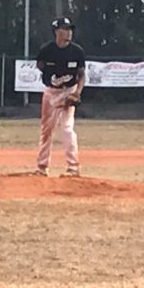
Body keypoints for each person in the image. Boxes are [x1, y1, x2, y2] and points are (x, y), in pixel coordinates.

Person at [34, 16, 85, 177]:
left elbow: (81, 75)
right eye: (65, 29)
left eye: (70, 29)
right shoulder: (47, 50)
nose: (69, 32)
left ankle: (73, 168)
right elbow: (40, 66)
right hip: (51, 92)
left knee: (67, 129)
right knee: (46, 130)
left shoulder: (77, 51)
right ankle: (42, 167)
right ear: (56, 31)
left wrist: (77, 93)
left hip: (69, 90)